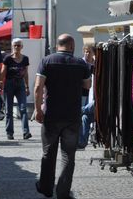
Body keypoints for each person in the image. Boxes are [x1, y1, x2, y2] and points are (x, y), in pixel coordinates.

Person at [34, 34, 92, 199]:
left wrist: (38, 109)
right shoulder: (80, 63)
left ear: (57, 45)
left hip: (51, 115)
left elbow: (38, 87)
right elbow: (87, 85)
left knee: (48, 153)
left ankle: (45, 188)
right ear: (72, 46)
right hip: (72, 116)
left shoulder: (47, 61)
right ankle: (63, 192)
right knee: (68, 156)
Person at [1, 37, 32, 140]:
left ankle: (26, 132)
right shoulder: (7, 58)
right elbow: (3, 71)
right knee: (8, 110)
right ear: (12, 46)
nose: (16, 47)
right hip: (9, 84)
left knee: (23, 108)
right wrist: (0, 82)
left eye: (18, 45)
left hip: (20, 84)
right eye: (15, 45)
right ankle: (9, 133)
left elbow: (26, 73)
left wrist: (27, 86)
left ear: (22, 47)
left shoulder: (25, 59)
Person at [79, 44, 95, 149]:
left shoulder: (96, 64)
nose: (87, 53)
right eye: (85, 51)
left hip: (94, 94)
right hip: (84, 93)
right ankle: (82, 141)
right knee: (84, 117)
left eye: (89, 51)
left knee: (85, 113)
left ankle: (82, 110)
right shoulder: (81, 64)